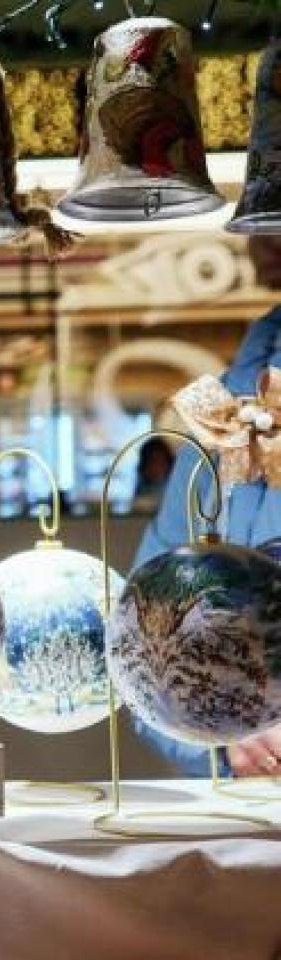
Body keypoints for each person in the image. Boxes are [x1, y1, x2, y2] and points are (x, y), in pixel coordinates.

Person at [132, 233, 281, 777]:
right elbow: (140, 644)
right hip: (247, 807)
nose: (259, 235)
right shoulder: (223, 413)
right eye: (260, 212)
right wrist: (221, 740)